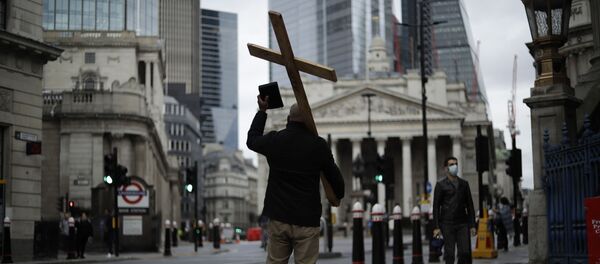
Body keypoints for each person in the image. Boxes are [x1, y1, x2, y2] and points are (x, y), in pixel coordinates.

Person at [247, 96, 345, 264]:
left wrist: (262, 111)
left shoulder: (275, 139)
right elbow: (337, 182)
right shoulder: (318, 145)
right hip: (307, 220)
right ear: (309, 120)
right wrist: (337, 196)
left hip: (279, 217)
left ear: (288, 119)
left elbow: (252, 140)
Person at [432, 157, 476, 264]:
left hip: (462, 223)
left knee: (465, 253)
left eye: (456, 164)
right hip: (447, 224)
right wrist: (436, 227)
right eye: (451, 164)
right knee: (449, 255)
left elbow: (470, 206)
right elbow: (436, 207)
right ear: (446, 168)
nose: (454, 166)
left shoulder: (464, 184)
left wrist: (472, 225)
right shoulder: (440, 185)